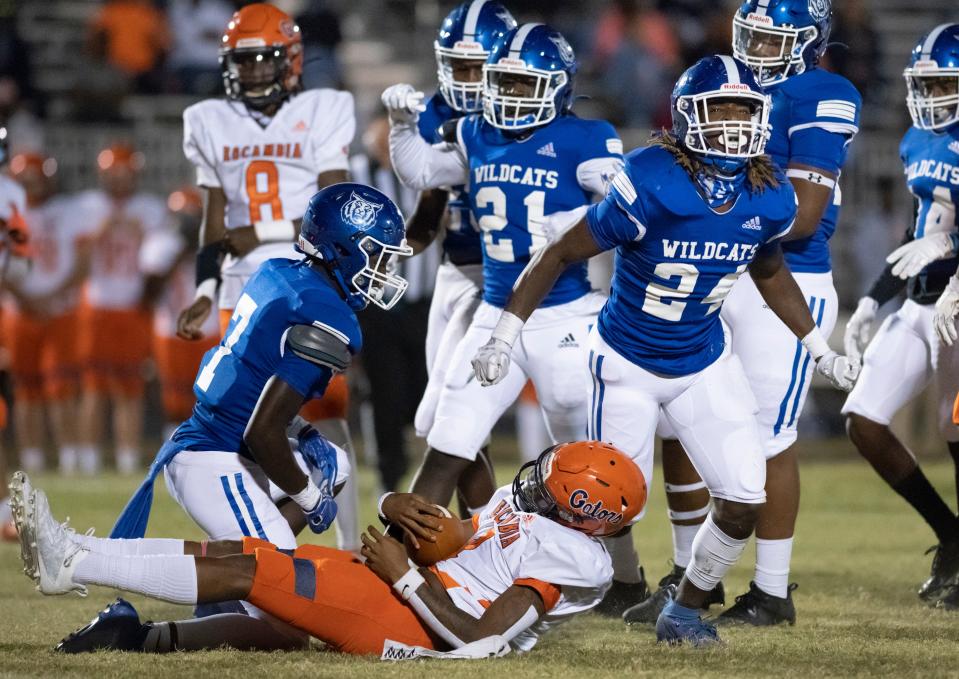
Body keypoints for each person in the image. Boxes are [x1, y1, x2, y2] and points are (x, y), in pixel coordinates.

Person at [470, 55, 859, 645]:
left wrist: (817, 346)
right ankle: (518, 576)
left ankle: (685, 607)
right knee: (599, 505)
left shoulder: (770, 192)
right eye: (718, 108)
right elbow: (558, 254)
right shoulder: (652, 178)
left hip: (703, 361)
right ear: (685, 116)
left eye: (744, 109)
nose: (731, 123)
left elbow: (771, 269)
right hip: (626, 362)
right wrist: (503, 334)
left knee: (743, 499)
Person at [626, 0, 863, 626]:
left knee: (768, 441)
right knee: (678, 418)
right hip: (718, 270)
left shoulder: (821, 91)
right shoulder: (728, 84)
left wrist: (712, 194)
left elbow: (803, 216)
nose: (756, 52)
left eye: (771, 39)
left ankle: (771, 591)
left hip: (785, 277)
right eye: (750, 36)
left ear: (809, 42)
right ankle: (686, 576)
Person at [101, 183, 411, 652]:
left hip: (218, 440)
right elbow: (263, 430)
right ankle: (142, 635)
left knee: (339, 465)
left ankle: (225, 590)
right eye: (379, 256)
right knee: (287, 626)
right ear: (346, 249)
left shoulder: (279, 272)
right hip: (218, 456)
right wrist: (310, 500)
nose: (385, 270)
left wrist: (303, 431)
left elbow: (254, 384)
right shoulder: (326, 314)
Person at [12, 440, 647, 656]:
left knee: (253, 569)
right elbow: (464, 464)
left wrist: (404, 577)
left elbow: (479, 639)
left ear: (581, 512)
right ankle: (136, 635)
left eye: (551, 479)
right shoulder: (532, 513)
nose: (531, 478)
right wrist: (393, 503)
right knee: (254, 566)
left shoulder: (574, 562)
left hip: (413, 619)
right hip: (406, 590)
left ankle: (73, 562)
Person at [384, 23, 624, 517]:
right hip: (494, 313)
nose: (511, 95)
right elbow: (425, 173)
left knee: (585, 463)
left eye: (524, 83)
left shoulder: (587, 137)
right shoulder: (476, 132)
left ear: (558, 86)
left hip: (564, 314)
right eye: (505, 82)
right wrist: (401, 126)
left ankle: (622, 576)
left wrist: (587, 223)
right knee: (450, 437)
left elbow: (633, 214)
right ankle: (399, 565)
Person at [173, 2, 360, 552]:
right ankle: (262, 546)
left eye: (263, 59)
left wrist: (261, 229)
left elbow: (340, 204)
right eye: (244, 61)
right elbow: (213, 222)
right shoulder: (207, 120)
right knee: (248, 425)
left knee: (325, 414)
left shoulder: (325, 109)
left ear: (291, 60)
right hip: (244, 292)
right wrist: (205, 290)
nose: (254, 71)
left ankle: (349, 549)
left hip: (309, 279)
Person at [842, 23, 959, 606]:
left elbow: (941, 239)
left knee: (957, 429)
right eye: (927, 85)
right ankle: (951, 536)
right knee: (864, 419)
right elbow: (918, 234)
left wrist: (952, 250)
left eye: (944, 86)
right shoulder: (919, 139)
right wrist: (873, 295)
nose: (931, 98)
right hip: (921, 302)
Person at [399, 0, 515, 504]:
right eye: (457, 66)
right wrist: (392, 249)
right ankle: (477, 536)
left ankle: (492, 534)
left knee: (441, 414)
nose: (465, 80)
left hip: (504, 280)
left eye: (477, 67)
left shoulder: (526, 119)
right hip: (454, 270)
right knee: (450, 423)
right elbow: (431, 209)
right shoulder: (437, 115)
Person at [73, 143, 168, 476]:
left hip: (133, 306)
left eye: (124, 173)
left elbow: (160, 261)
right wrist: (102, 231)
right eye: (112, 174)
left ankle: (127, 458)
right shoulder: (88, 206)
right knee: (93, 385)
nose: (118, 180)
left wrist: (137, 234)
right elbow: (78, 262)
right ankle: (87, 457)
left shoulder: (149, 208)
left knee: (130, 387)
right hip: (97, 305)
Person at [3, 153, 91, 475]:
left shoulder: (69, 210)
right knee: (25, 388)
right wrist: (24, 298)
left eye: (34, 176)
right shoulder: (8, 211)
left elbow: (83, 261)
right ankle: (31, 459)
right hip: (19, 311)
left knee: (61, 386)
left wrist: (50, 296)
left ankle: (69, 455)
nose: (29, 183)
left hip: (60, 309)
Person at [139, 188, 219, 438]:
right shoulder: (159, 244)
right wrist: (180, 254)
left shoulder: (217, 245)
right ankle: (174, 452)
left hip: (208, 329)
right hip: (171, 330)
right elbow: (148, 294)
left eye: (191, 218)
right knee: (174, 402)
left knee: (213, 396)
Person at [0, 126, 30, 541]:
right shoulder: (11, 194)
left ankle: (4, 508)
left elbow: (21, 259)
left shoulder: (11, 193)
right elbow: (21, 262)